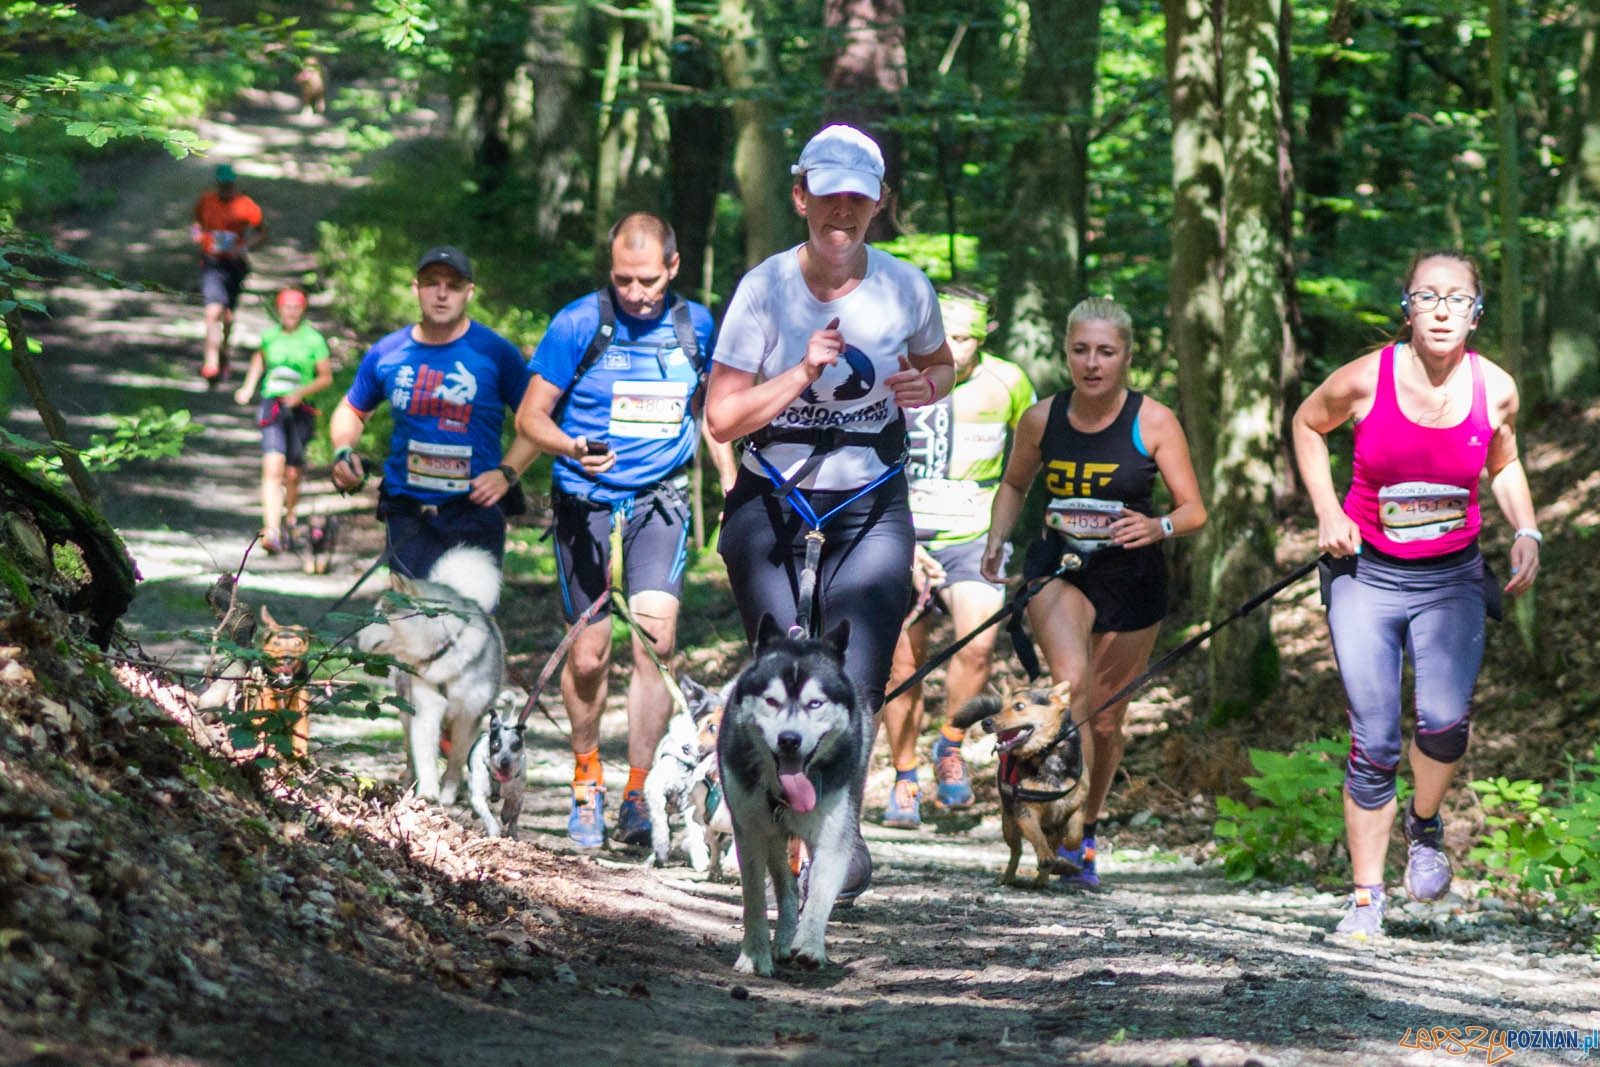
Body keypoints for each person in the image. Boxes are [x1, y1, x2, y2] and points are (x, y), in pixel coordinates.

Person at [706, 124, 956, 895]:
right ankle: (769, 814)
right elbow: (721, 418)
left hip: (869, 502)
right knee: (779, 663)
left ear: (879, 202)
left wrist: (928, 386)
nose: (841, 211)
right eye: (828, 194)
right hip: (771, 500)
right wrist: (799, 371)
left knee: (857, 669)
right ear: (800, 196)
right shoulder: (764, 288)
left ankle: (836, 832)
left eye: (858, 196)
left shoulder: (907, 287)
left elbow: (940, 364)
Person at [1291, 250, 1540, 940]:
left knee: (1443, 720)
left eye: (1456, 298)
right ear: (1406, 305)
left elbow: (1505, 459)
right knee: (1373, 737)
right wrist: (1327, 511)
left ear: (1475, 313)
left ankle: (1424, 825)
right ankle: (1367, 897)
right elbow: (1307, 426)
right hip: (1365, 574)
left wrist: (1528, 529)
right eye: (1426, 295)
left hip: (1452, 579)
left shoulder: (1497, 388)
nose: (1439, 308)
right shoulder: (1366, 379)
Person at [516, 213, 736, 850]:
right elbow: (532, 417)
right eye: (622, 279)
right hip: (584, 499)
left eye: (647, 279)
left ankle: (640, 794)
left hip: (658, 500)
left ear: (672, 267)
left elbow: (710, 411)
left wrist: (730, 479)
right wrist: (570, 446)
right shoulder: (580, 323)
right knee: (588, 655)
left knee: (656, 641)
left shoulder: (695, 326)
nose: (635, 292)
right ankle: (588, 779)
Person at [982, 297, 1206, 889]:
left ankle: (1089, 822)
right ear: (1067, 352)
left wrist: (1157, 526)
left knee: (1105, 720)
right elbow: (1013, 483)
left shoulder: (1153, 420)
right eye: (1081, 350)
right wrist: (997, 540)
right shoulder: (1041, 418)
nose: (1092, 363)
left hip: (1132, 576)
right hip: (1060, 567)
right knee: (1071, 685)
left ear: (1126, 357)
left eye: (1106, 351)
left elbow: (1194, 510)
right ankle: (1062, 826)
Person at [879, 285, 1035, 828]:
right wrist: (901, 540)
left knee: (979, 644)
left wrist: (1006, 531)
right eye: (945, 335)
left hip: (974, 534)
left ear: (985, 333)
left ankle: (949, 746)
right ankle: (903, 777)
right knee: (902, 664)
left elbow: (1029, 456)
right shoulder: (898, 372)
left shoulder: (1009, 380)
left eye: (966, 336)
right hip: (902, 534)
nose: (955, 347)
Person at [329, 246, 536, 579]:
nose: (441, 294)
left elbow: (537, 420)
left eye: (453, 286)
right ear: (416, 288)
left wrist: (507, 473)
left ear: (468, 293)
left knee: (469, 624)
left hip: (475, 511)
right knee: (408, 624)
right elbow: (351, 410)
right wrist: (343, 451)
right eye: (431, 283)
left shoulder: (496, 353)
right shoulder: (388, 351)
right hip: (408, 514)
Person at [233, 289, 333, 554]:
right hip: (273, 406)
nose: (290, 312)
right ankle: (272, 529)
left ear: (302, 310)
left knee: (292, 472)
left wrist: (300, 394)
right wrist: (248, 387)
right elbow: (259, 359)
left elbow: (325, 377)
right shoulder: (270, 336)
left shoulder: (313, 340)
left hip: (302, 409)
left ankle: (290, 515)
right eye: (286, 307)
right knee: (272, 467)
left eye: (295, 307)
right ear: (279, 309)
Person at [192, 163, 267, 385]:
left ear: (233, 184)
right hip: (211, 263)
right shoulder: (207, 201)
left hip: (234, 265)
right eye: (222, 184)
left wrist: (243, 248)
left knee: (226, 316)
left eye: (228, 184)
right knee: (212, 311)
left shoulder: (246, 206)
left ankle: (224, 353)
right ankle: (211, 363)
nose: (225, 188)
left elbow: (263, 232)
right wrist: (197, 235)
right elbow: (196, 223)